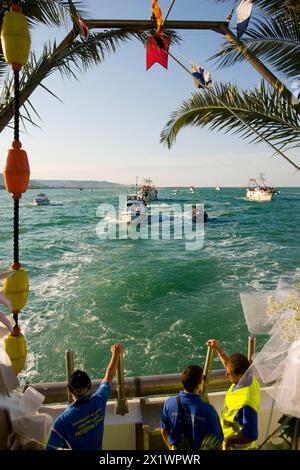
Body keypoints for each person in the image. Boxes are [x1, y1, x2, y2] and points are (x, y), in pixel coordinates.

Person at [46, 343, 122, 450]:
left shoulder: (62, 422)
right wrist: (116, 354)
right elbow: (108, 377)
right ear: (90, 387)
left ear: (68, 391)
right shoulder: (99, 401)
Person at [206, 339, 260, 450]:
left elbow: (251, 435)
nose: (226, 374)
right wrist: (218, 349)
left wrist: (230, 440)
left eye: (229, 374)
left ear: (240, 376)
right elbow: (229, 365)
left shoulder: (245, 404)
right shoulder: (249, 378)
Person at [160, 365, 223, 450]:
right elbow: (218, 440)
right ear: (198, 385)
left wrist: (170, 447)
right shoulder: (209, 410)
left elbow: (163, 431)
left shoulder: (169, 403)